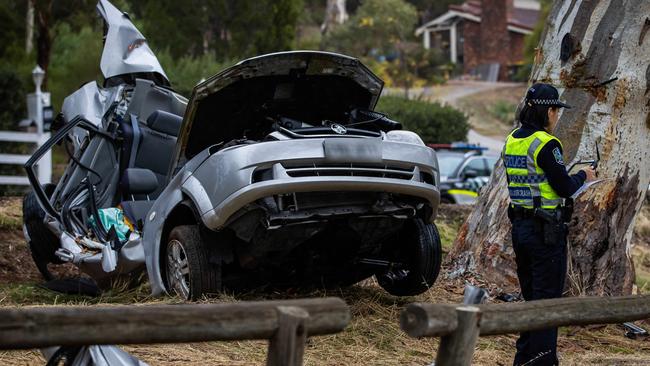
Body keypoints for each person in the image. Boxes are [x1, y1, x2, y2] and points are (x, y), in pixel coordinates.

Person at [503, 83, 597, 366]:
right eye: (556, 111)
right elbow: (564, 186)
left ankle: (524, 360)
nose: (557, 117)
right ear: (549, 111)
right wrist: (585, 176)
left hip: (521, 228)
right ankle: (543, 361)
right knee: (547, 304)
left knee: (532, 300)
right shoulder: (546, 143)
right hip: (546, 233)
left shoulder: (512, 139)